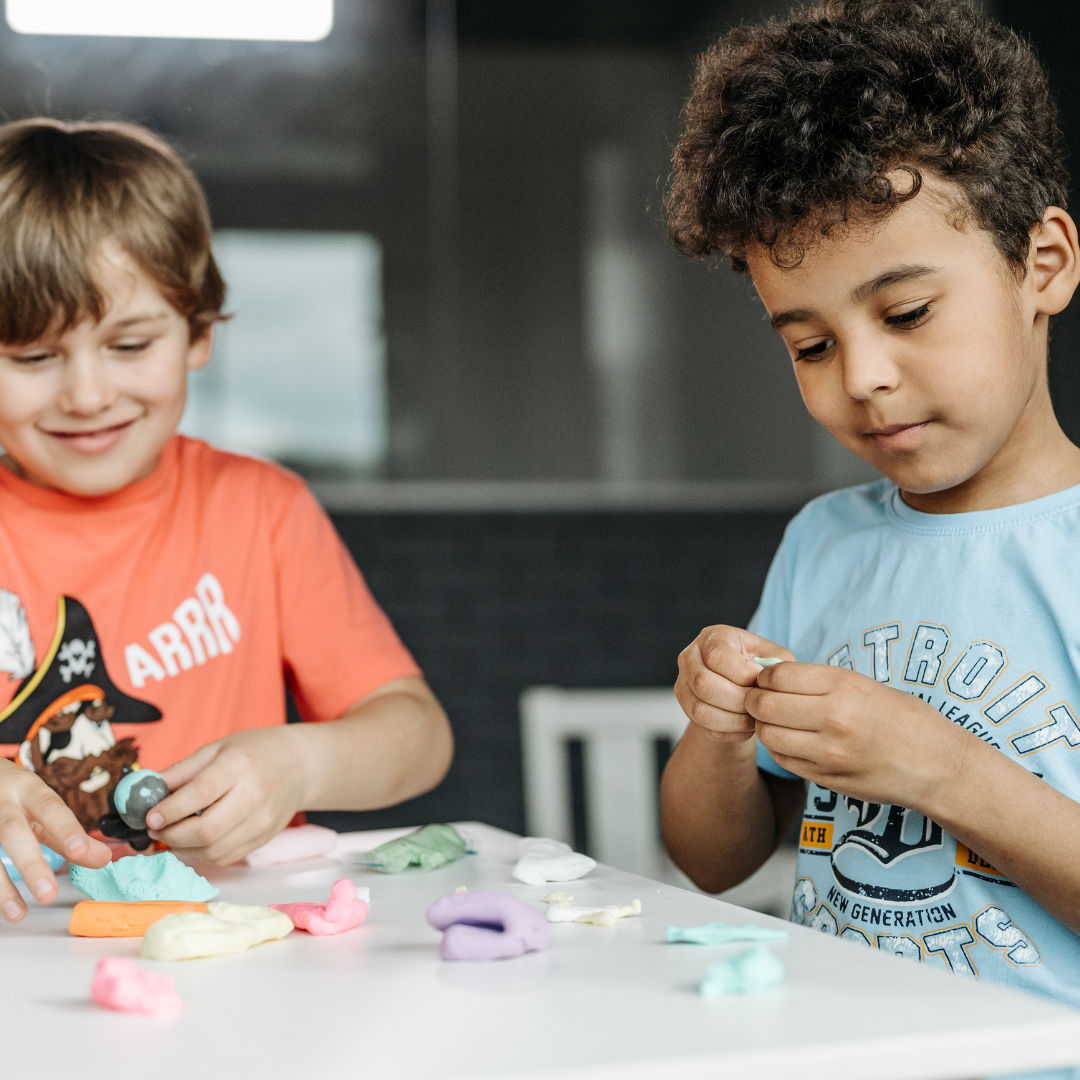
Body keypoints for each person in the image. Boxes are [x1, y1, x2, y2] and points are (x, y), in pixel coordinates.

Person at [659, 0, 1080, 1014]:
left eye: (906, 313)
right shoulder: (826, 543)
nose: (864, 377)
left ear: (1043, 264)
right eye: (809, 343)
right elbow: (715, 862)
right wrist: (714, 733)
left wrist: (942, 772)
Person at [0, 118, 453, 923]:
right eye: (33, 358)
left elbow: (419, 735)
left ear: (199, 331)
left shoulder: (262, 509)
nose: (87, 394)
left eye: (130, 344)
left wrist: (301, 763)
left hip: (236, 944)